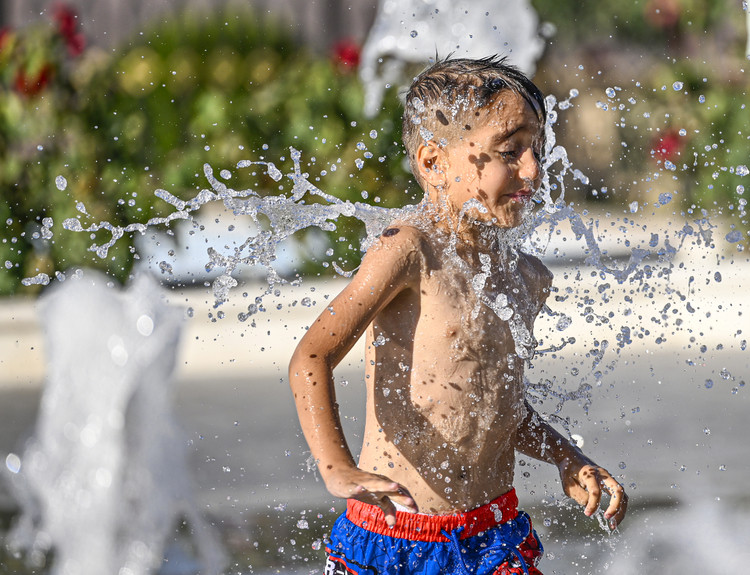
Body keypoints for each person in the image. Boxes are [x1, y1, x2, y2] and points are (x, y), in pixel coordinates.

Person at [288, 56, 627, 575]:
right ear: (432, 162)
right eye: (509, 151)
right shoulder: (408, 251)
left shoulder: (525, 276)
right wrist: (336, 468)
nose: (532, 170)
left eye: (536, 149)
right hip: (390, 537)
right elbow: (311, 357)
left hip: (492, 537)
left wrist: (565, 456)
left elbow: (499, 407)